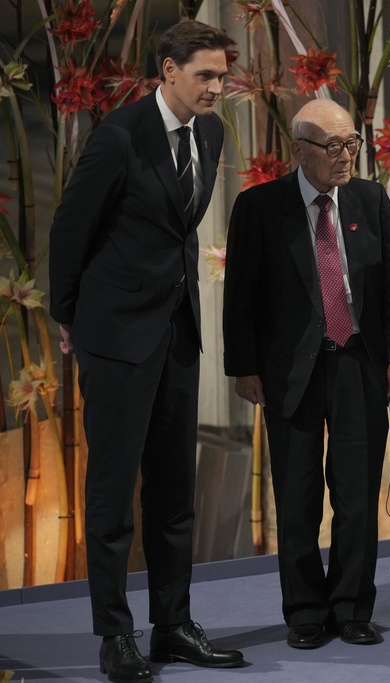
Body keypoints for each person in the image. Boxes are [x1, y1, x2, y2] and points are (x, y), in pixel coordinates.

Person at [47, 19, 242, 683]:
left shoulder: (211, 132)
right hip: (115, 336)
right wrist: (67, 315)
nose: (217, 87)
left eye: (221, 75)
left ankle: (173, 625)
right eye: (205, 76)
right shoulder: (118, 136)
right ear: (167, 71)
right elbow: (72, 229)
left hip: (177, 333)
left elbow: (176, 230)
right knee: (111, 496)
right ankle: (114, 635)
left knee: (173, 491)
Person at [222, 99, 390, 650]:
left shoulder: (369, 198)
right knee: (298, 495)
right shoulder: (259, 206)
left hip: (359, 362)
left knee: (356, 495)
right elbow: (241, 297)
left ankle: (351, 607)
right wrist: (244, 367)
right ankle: (305, 611)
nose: (347, 155)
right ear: (300, 149)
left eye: (352, 143)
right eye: (334, 146)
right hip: (289, 371)